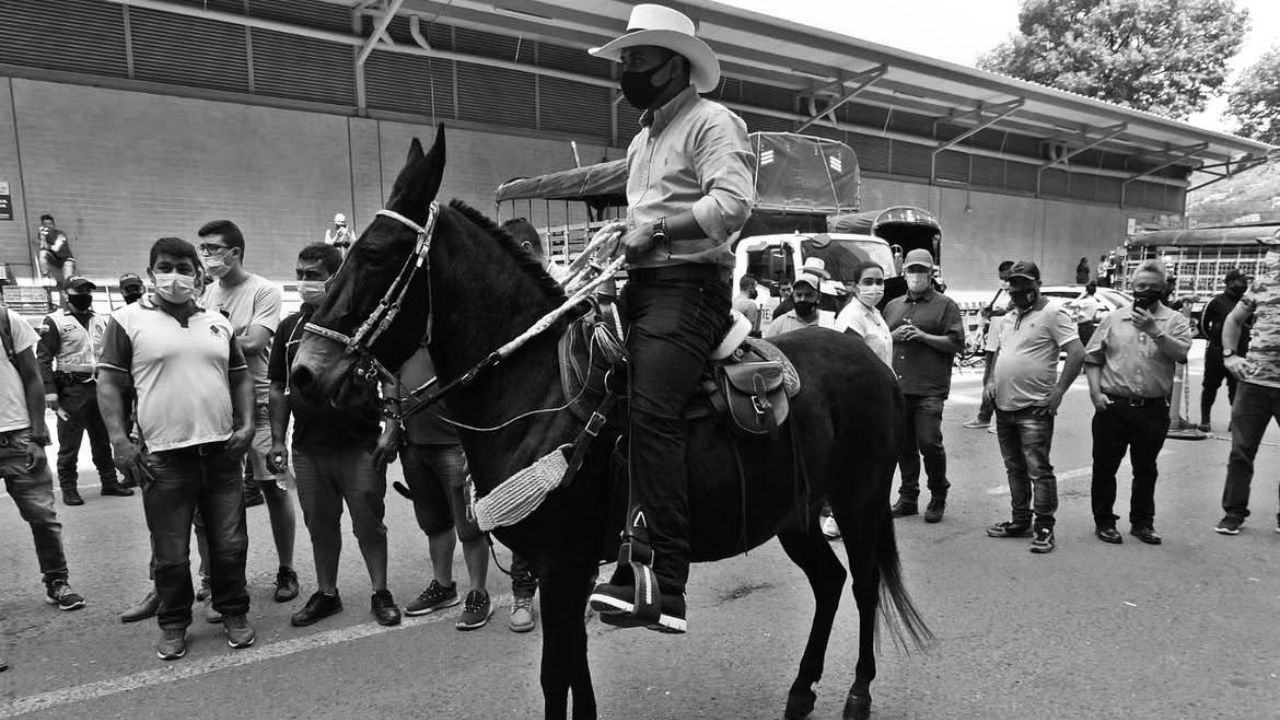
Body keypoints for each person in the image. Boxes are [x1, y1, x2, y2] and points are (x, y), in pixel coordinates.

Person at [584, 3, 754, 634]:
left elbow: (732, 204)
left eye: (637, 59)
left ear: (674, 65)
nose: (626, 70)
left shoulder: (714, 122)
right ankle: (616, 550)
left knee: (653, 413)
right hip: (641, 287)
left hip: (692, 289)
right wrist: (621, 238)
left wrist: (655, 228)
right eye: (625, 58)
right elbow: (638, 221)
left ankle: (670, 583)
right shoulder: (640, 140)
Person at [97, 237, 255, 660]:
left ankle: (233, 612)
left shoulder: (218, 321)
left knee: (229, 543)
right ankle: (174, 623)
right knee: (170, 552)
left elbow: (240, 376)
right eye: (165, 267)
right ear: (151, 273)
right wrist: (119, 441)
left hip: (221, 453)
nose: (176, 276)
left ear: (198, 274)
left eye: (185, 267)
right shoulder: (127, 321)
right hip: (164, 458)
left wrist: (247, 424)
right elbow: (109, 384)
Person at [267, 243, 400, 627]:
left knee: (369, 525)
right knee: (320, 527)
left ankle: (381, 592)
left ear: (336, 278)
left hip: (359, 446)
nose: (304, 281)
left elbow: (391, 378)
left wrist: (391, 428)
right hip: (308, 449)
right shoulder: (290, 330)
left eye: (313, 274)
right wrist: (277, 440)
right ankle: (327, 594)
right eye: (300, 273)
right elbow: (278, 387)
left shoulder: (363, 325)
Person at [198, 219, 298, 603]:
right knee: (219, 498)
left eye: (213, 248)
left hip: (256, 407)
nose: (206, 255)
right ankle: (221, 576)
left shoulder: (263, 291)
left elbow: (255, 342)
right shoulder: (206, 294)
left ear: (235, 252)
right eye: (202, 248)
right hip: (216, 407)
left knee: (274, 489)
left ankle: (286, 569)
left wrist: (209, 338)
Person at [1084, 261, 1192, 545]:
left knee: (1146, 469)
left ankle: (1142, 522)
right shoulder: (1113, 319)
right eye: (1141, 286)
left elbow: (1181, 354)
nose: (1146, 291)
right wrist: (1095, 393)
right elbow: (1093, 359)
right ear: (1131, 287)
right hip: (1113, 406)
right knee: (1105, 467)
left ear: (1164, 289)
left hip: (1153, 408)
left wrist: (1155, 330)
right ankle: (1105, 521)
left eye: (1153, 287)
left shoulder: (1175, 321)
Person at [389, 346, 494, 631]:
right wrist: (391, 427)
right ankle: (444, 586)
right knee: (434, 524)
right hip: (414, 445)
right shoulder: (406, 339)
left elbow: (479, 393)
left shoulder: (450, 334)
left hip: (453, 446)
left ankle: (478, 593)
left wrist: (473, 450)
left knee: (469, 526)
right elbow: (390, 383)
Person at [985, 261, 1085, 554]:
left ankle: (1044, 527)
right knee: (1014, 467)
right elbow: (1001, 354)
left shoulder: (1053, 313)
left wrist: (1058, 393)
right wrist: (991, 381)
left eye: (1023, 285)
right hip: (1004, 406)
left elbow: (1077, 353)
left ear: (1036, 285)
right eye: (1013, 285)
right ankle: (1020, 520)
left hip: (1034, 408)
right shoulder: (1008, 316)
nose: (1017, 291)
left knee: (1038, 469)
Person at [0, 283, 86, 612]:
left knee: (43, 518)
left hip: (18, 435)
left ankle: (57, 582)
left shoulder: (9, 322)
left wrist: (37, 436)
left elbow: (33, 378)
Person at [883, 249, 964, 523]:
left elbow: (956, 343)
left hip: (929, 387)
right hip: (898, 386)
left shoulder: (946, 305)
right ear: (904, 272)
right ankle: (908, 497)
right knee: (903, 446)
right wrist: (892, 336)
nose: (916, 276)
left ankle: (938, 493)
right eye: (911, 270)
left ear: (931, 273)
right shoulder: (893, 305)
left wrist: (924, 336)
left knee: (929, 442)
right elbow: (880, 340)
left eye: (921, 270)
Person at [38, 276, 132, 505]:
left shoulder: (101, 320)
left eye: (88, 291)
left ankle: (109, 482)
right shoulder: (55, 321)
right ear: (66, 294)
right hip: (72, 389)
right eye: (79, 291)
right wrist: (50, 391)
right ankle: (69, 487)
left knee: (102, 438)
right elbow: (42, 359)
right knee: (70, 442)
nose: (85, 296)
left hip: (99, 388)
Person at [1215, 244, 1280, 535]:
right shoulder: (1262, 284)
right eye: (1273, 249)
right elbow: (1234, 320)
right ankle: (1233, 514)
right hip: (1254, 383)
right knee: (1241, 452)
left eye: (1277, 249)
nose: (1272, 255)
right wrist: (1230, 356)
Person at [964, 260, 1014, 430]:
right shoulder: (1000, 292)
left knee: (999, 382)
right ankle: (984, 416)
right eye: (1001, 278)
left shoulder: (1016, 294)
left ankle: (1001, 421)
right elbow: (992, 314)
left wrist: (992, 312)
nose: (1004, 282)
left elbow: (1008, 311)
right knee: (988, 381)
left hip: (1006, 345)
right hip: (993, 344)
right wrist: (983, 320)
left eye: (1007, 278)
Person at [1200, 269, 1250, 432]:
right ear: (1229, 283)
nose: (1242, 284)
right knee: (1209, 387)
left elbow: (1250, 324)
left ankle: (1234, 421)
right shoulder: (1216, 302)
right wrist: (1215, 340)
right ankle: (1205, 420)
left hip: (1239, 353)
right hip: (1216, 353)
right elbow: (1202, 324)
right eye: (1239, 281)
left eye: (1244, 281)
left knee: (1236, 389)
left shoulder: (1246, 303)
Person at [835, 261, 892, 367]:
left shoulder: (875, 313)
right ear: (855, 287)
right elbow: (851, 359)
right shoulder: (852, 316)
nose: (874, 287)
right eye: (868, 282)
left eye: (879, 282)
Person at [763, 269, 824, 338]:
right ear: (793, 295)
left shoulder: (827, 322)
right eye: (799, 295)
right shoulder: (779, 325)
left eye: (808, 295)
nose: (802, 299)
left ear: (818, 297)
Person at [37, 214, 76, 289]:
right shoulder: (42, 234)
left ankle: (69, 295)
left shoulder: (60, 234)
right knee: (43, 252)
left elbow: (56, 248)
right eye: (45, 224)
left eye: (50, 224)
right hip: (55, 259)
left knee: (68, 282)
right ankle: (46, 277)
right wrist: (42, 237)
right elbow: (43, 247)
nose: (48, 226)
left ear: (54, 225)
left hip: (66, 259)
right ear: (42, 225)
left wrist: (41, 243)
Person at [1075, 281, 1105, 347]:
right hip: (1088, 324)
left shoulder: (1086, 301)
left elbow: (1072, 304)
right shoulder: (1094, 300)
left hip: (1084, 326)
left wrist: (1081, 295)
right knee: (1087, 345)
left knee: (1084, 345)